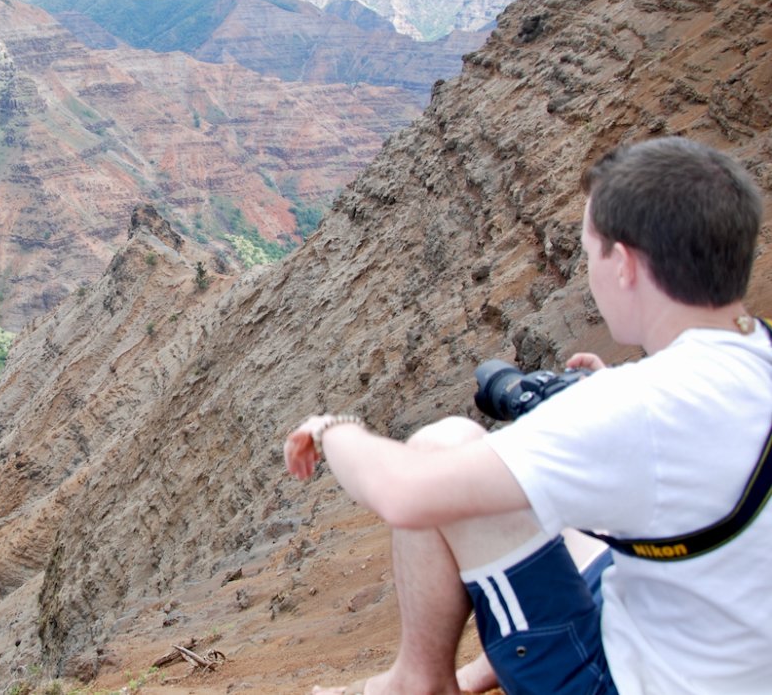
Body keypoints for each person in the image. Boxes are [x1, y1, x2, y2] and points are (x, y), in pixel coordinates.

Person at [284, 136, 771, 694]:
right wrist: (605, 396)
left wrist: (330, 429)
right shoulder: (751, 358)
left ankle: (416, 684)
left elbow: (402, 492)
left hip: (623, 681)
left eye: (590, 253)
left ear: (626, 265)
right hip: (721, 660)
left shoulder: (639, 407)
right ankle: (465, 679)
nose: (588, 270)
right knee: (577, 522)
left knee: (444, 444)